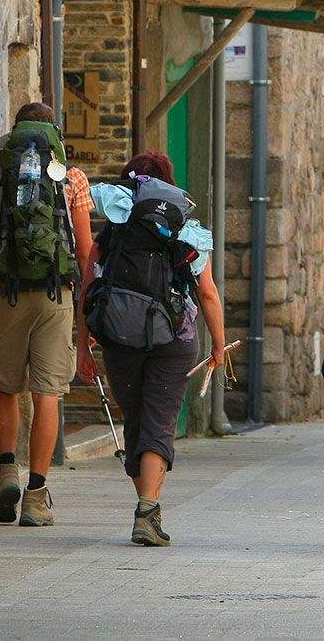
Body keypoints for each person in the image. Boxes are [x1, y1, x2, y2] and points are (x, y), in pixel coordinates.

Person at [0, 101, 94, 527]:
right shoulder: (71, 178)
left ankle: (6, 472)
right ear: (55, 133)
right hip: (55, 295)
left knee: (8, 387)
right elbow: (86, 252)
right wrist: (91, 312)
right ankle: (36, 494)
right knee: (47, 393)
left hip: (4, 293)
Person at [85, 151, 228, 547]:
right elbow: (208, 293)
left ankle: (146, 506)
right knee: (159, 420)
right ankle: (148, 508)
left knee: (136, 417)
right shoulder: (189, 230)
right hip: (174, 339)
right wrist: (218, 345)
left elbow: (89, 286)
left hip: (118, 335)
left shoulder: (113, 231)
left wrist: (83, 344)